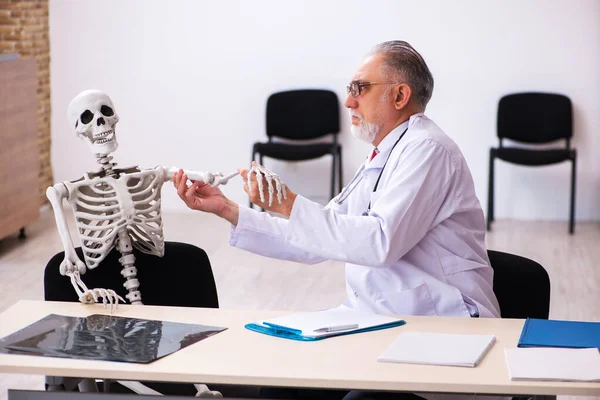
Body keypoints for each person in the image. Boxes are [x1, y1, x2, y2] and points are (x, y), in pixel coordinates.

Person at [173, 40, 501, 399]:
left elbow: (380, 243)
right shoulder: (384, 156)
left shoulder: (428, 150)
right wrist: (228, 210)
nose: (349, 101)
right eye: (350, 90)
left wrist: (288, 203)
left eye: (360, 88)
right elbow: (318, 237)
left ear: (400, 95)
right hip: (380, 321)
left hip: (439, 328)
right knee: (282, 388)